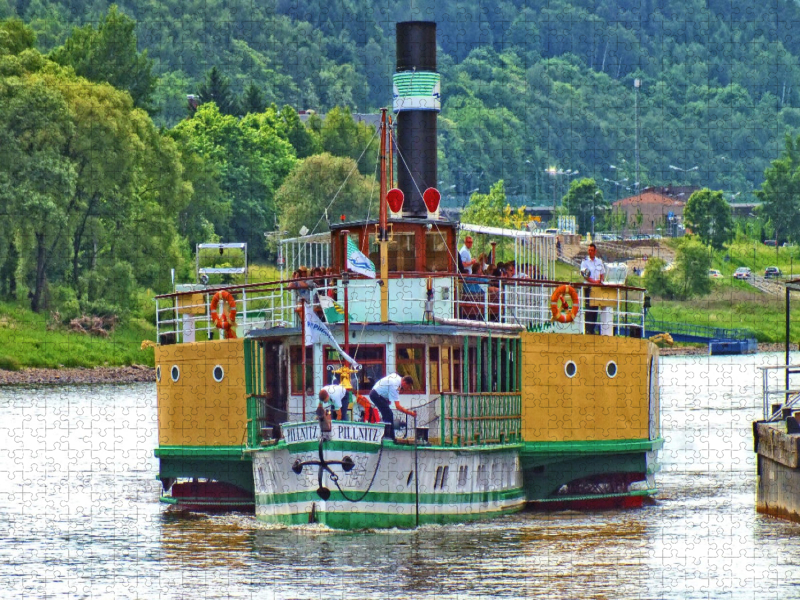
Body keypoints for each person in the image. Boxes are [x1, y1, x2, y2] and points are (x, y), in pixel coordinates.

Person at [369, 374, 414, 439]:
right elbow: (398, 406)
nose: (407, 389)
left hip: (377, 394)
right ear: (404, 383)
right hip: (375, 395)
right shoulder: (395, 385)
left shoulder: (396, 377)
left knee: (387, 414)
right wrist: (411, 413)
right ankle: (389, 437)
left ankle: (386, 435)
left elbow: (387, 386)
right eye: (408, 387)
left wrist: (387, 399)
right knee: (389, 414)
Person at [580, 243, 605, 335]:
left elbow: (602, 273)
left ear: (595, 251)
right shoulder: (585, 262)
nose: (590, 252)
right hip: (589, 287)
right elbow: (585, 276)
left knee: (595, 308)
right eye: (589, 250)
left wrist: (601, 281)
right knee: (589, 308)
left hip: (597, 288)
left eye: (591, 250)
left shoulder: (599, 261)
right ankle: (587, 329)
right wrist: (594, 282)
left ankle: (592, 329)